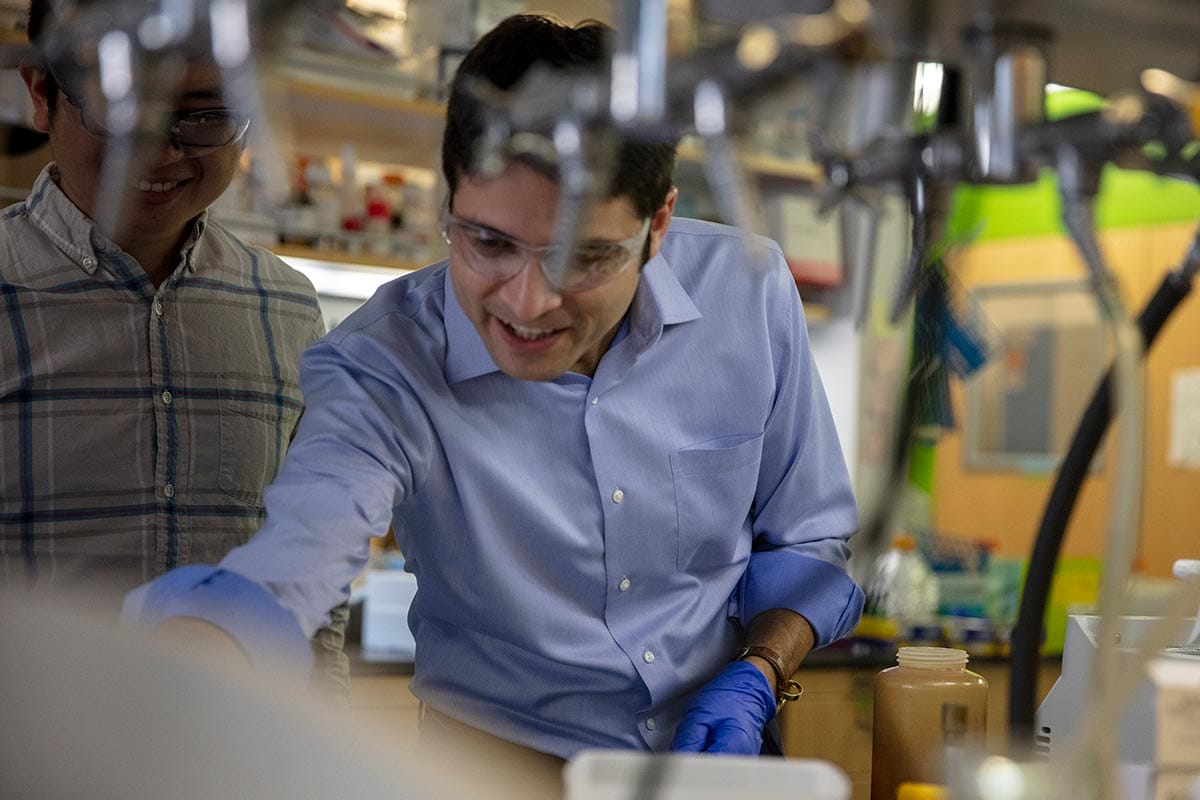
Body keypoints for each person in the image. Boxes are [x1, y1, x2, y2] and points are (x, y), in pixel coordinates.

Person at [125, 13, 864, 759]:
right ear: (449, 205)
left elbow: (807, 539)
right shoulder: (386, 361)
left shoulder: (747, 290)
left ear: (659, 224)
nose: (528, 303)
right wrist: (224, 630)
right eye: (489, 243)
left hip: (718, 753)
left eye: (586, 258)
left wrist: (760, 670)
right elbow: (305, 544)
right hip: (496, 769)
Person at [1, 0, 347, 691]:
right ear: (42, 93)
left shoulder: (285, 305)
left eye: (205, 116)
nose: (159, 153)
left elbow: (309, 556)